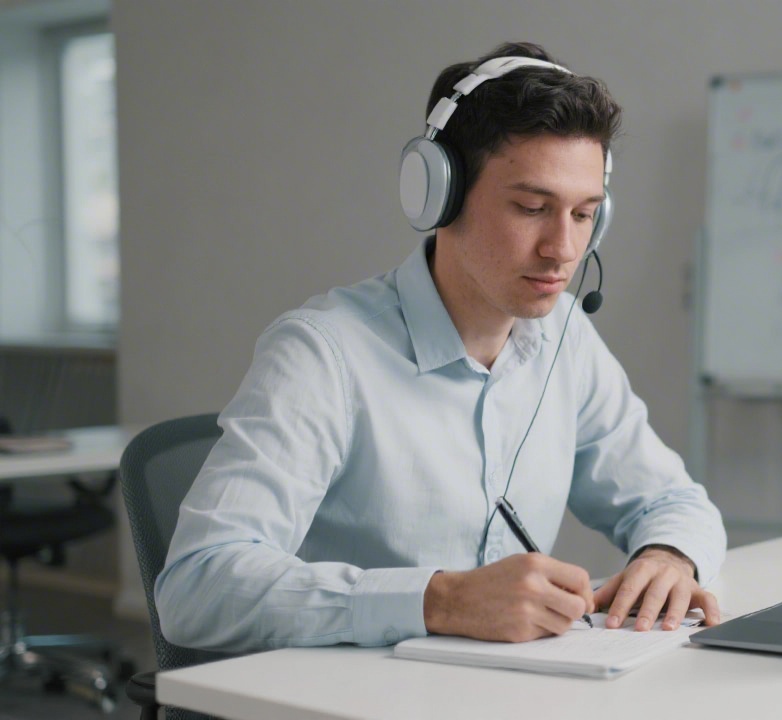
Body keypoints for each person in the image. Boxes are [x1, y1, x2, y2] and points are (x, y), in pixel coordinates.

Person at [154, 41, 726, 652]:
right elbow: (197, 587)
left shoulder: (564, 336)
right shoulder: (323, 354)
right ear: (438, 195)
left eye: (585, 215)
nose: (563, 249)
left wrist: (669, 554)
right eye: (532, 208)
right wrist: (439, 601)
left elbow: (671, 497)